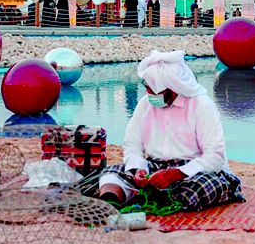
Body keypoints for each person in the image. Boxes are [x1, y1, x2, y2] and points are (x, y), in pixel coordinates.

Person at [98, 50, 244, 212]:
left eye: (155, 90)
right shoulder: (145, 104)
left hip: (193, 171)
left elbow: (215, 157)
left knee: (206, 185)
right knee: (111, 173)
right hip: (154, 169)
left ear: (174, 88)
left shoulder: (201, 105)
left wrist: (176, 174)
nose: (149, 94)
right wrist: (138, 168)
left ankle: (154, 197)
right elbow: (132, 145)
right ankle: (111, 203)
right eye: (148, 88)